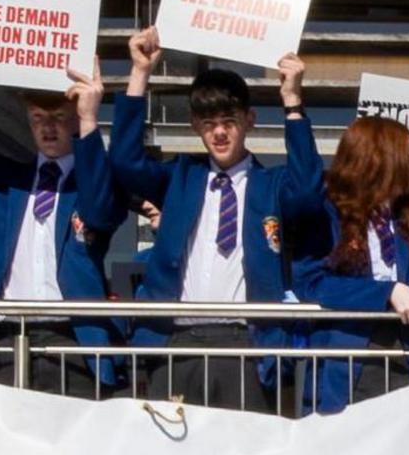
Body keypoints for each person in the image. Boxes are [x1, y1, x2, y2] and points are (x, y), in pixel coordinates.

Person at [106, 30, 317, 411]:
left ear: (249, 120)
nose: (219, 132)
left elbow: (307, 189)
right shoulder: (181, 176)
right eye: (207, 123)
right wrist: (139, 74)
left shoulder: (270, 184)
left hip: (245, 342)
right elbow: (125, 162)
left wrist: (292, 102)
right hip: (178, 339)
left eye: (228, 120)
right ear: (194, 126)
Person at [0, 53, 117, 385]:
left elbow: (101, 212)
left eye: (59, 117)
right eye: (37, 118)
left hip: (69, 339)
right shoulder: (1, 179)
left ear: (74, 119)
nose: (47, 127)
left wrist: (90, 119)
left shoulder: (90, 182)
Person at [286, 109, 409, 409]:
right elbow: (311, 282)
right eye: (408, 155)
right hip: (350, 363)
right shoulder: (329, 214)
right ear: (379, 159)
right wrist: (387, 292)